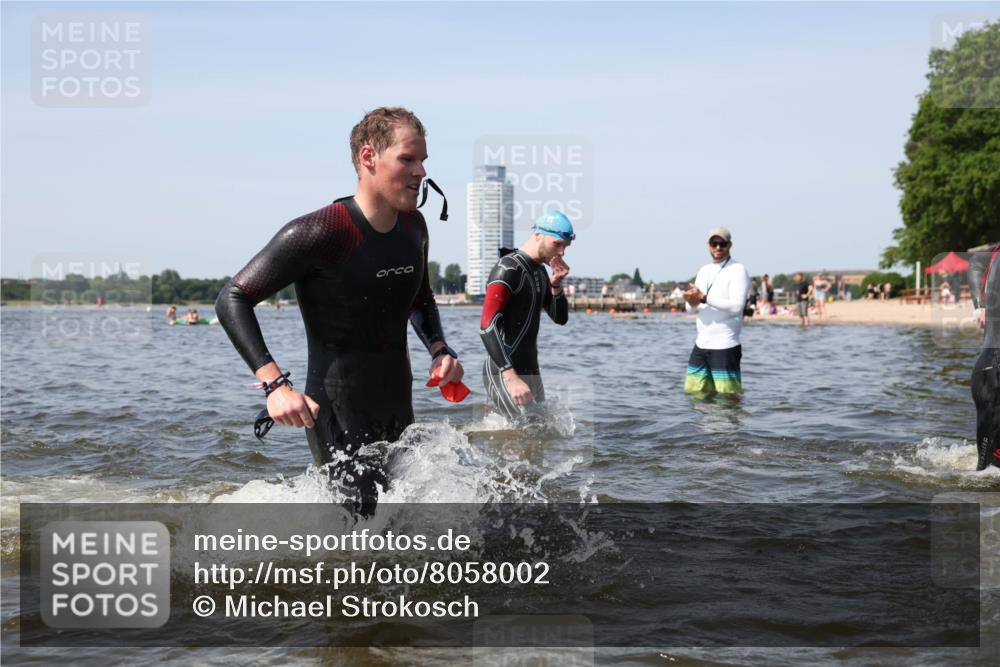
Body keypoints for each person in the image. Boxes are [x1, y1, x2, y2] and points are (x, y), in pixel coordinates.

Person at [215, 107, 464, 515]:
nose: (420, 171)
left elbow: (419, 295)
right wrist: (275, 386)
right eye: (407, 159)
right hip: (338, 411)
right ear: (369, 158)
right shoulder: (322, 231)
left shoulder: (414, 226)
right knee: (360, 541)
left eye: (423, 161)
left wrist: (439, 349)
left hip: (398, 405)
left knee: (401, 525)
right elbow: (232, 298)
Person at [479, 211, 572, 420]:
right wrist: (511, 377)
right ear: (538, 234)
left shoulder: (539, 271)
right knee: (518, 436)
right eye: (557, 244)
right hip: (504, 372)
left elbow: (560, 318)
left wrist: (556, 284)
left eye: (565, 246)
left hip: (531, 371)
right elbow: (487, 326)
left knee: (538, 439)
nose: (562, 252)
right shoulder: (508, 269)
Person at [682, 227, 751, 395]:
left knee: (728, 399)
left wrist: (704, 298)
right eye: (714, 243)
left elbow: (736, 307)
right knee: (694, 395)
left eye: (722, 244)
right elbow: (691, 311)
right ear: (708, 245)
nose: (718, 248)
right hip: (701, 345)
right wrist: (691, 302)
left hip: (725, 345)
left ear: (730, 245)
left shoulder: (738, 270)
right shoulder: (704, 270)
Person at [968, 242, 1000, 470]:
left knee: (986, 470)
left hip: (986, 371)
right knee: (991, 473)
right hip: (995, 376)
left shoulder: (995, 249)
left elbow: (975, 262)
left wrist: (979, 306)